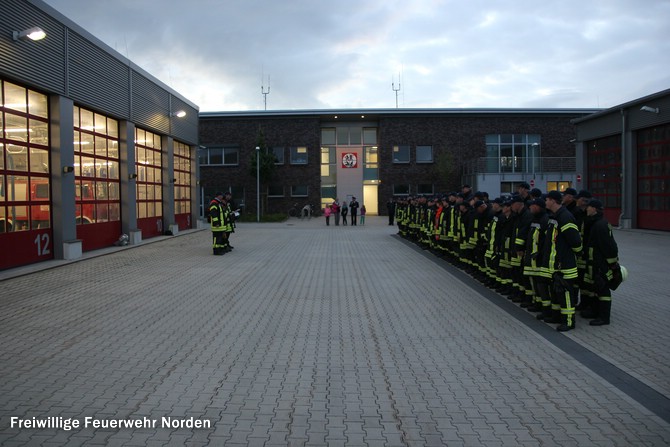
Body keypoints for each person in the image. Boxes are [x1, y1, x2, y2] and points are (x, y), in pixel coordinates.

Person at [540, 190, 583, 331]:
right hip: (557, 265)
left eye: (547, 200)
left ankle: (569, 322)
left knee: (566, 295)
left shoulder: (565, 217)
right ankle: (557, 317)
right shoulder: (555, 217)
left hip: (565, 266)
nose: (545, 202)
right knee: (558, 293)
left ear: (553, 201)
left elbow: (576, 241)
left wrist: (573, 254)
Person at [583, 199, 619, 326]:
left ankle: (604, 318)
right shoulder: (596, 223)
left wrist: (612, 264)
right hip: (594, 263)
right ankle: (595, 312)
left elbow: (609, 247)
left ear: (594, 209)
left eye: (589, 207)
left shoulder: (600, 225)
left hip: (600, 264)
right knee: (595, 289)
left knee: (603, 290)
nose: (587, 209)